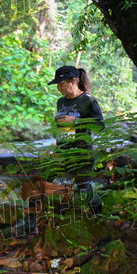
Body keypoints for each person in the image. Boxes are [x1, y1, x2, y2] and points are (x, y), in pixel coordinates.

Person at [48, 65, 105, 212]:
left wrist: (75, 121)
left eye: (61, 83)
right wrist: (58, 149)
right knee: (42, 179)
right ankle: (35, 217)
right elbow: (62, 128)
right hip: (63, 153)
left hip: (82, 153)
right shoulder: (60, 102)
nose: (58, 88)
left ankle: (99, 216)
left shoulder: (88, 101)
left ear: (74, 81)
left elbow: (99, 125)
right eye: (57, 84)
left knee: (84, 188)